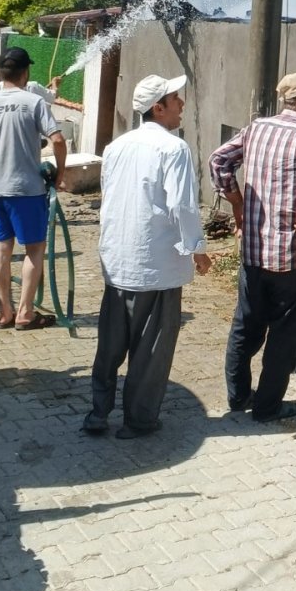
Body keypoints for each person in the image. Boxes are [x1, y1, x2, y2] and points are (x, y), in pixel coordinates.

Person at [83, 74, 210, 440]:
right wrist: (197, 251)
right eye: (176, 99)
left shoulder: (117, 146)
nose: (182, 104)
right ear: (159, 107)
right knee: (151, 348)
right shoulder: (173, 149)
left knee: (110, 343)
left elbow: (110, 200)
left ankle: (98, 412)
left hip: (119, 259)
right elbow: (183, 206)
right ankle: (138, 420)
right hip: (156, 264)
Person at [210, 71, 296, 423]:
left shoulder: (257, 128)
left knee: (245, 325)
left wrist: (235, 201)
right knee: (285, 333)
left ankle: (238, 397)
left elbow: (218, 160)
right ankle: (267, 407)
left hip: (253, 251)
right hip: (294, 256)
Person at [0, 46, 66, 330]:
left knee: (1, 248)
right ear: (26, 73)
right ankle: (25, 313)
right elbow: (58, 140)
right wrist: (59, 175)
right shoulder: (33, 101)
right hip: (25, 188)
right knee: (34, 249)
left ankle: (5, 312)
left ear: (1, 72)